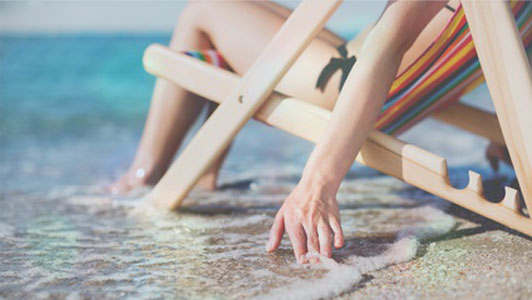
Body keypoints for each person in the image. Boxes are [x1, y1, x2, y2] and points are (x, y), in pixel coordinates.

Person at [109, 0, 510, 264]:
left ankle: (143, 175)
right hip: (384, 76)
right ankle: (203, 175)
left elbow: (389, 44)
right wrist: (510, 126)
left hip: (351, 85)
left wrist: (317, 185)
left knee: (203, 11)